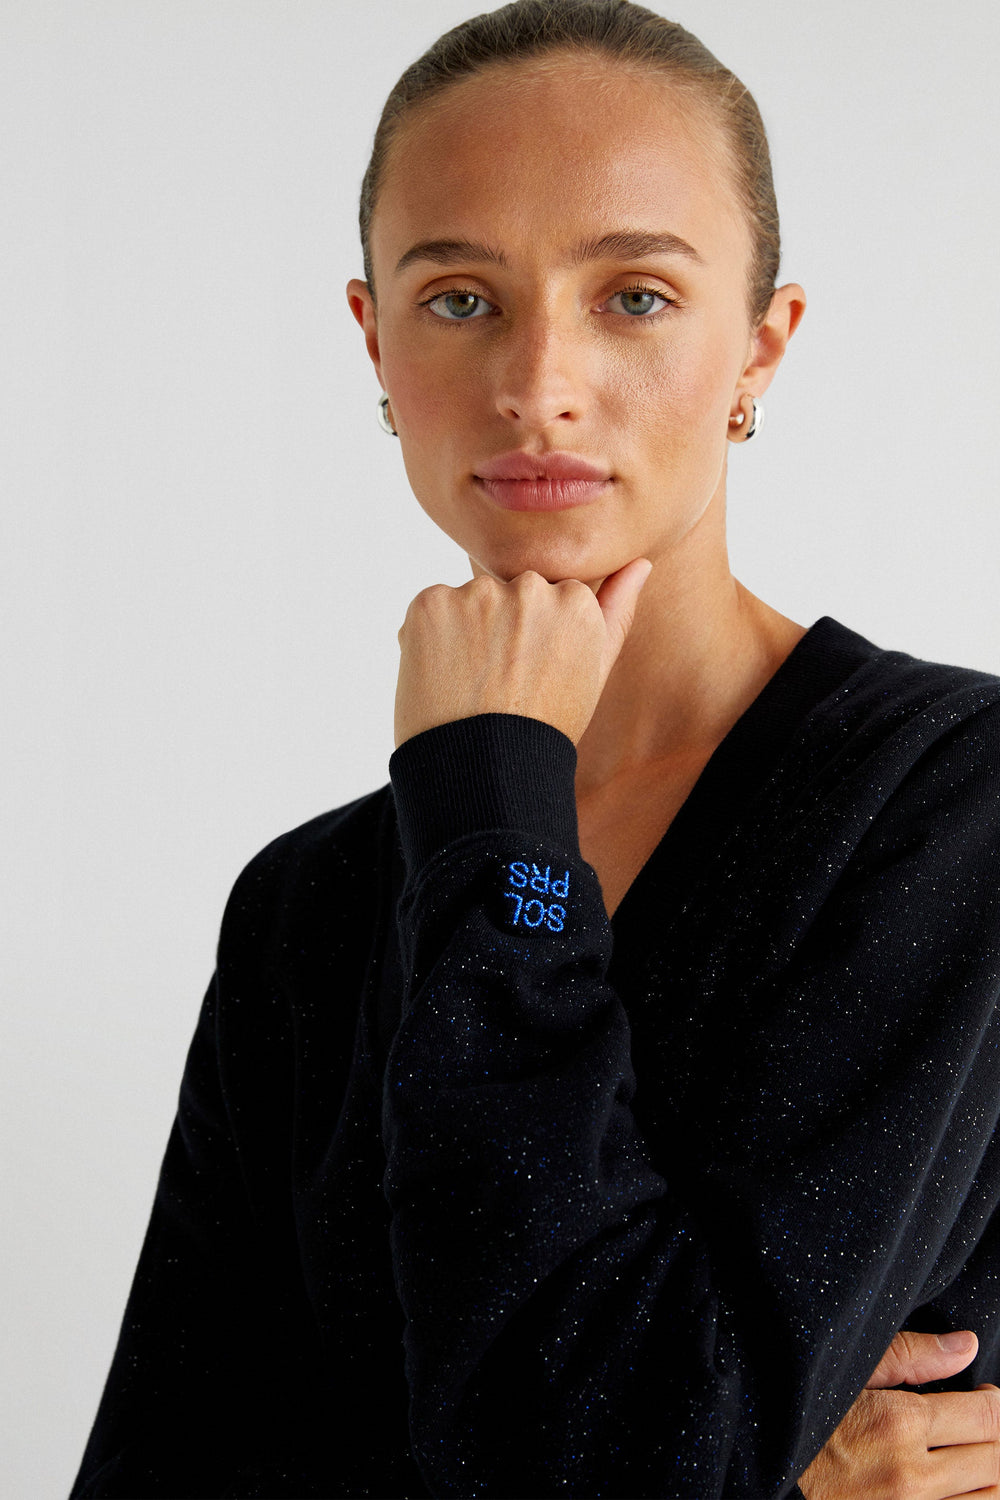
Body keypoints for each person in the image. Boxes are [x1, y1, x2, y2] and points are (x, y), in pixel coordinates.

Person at [68, 2, 1000, 1497]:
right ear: (374, 338)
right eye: (460, 299)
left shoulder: (950, 808)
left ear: (762, 343)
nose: (539, 382)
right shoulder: (307, 911)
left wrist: (495, 800)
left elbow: (587, 1448)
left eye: (635, 296)